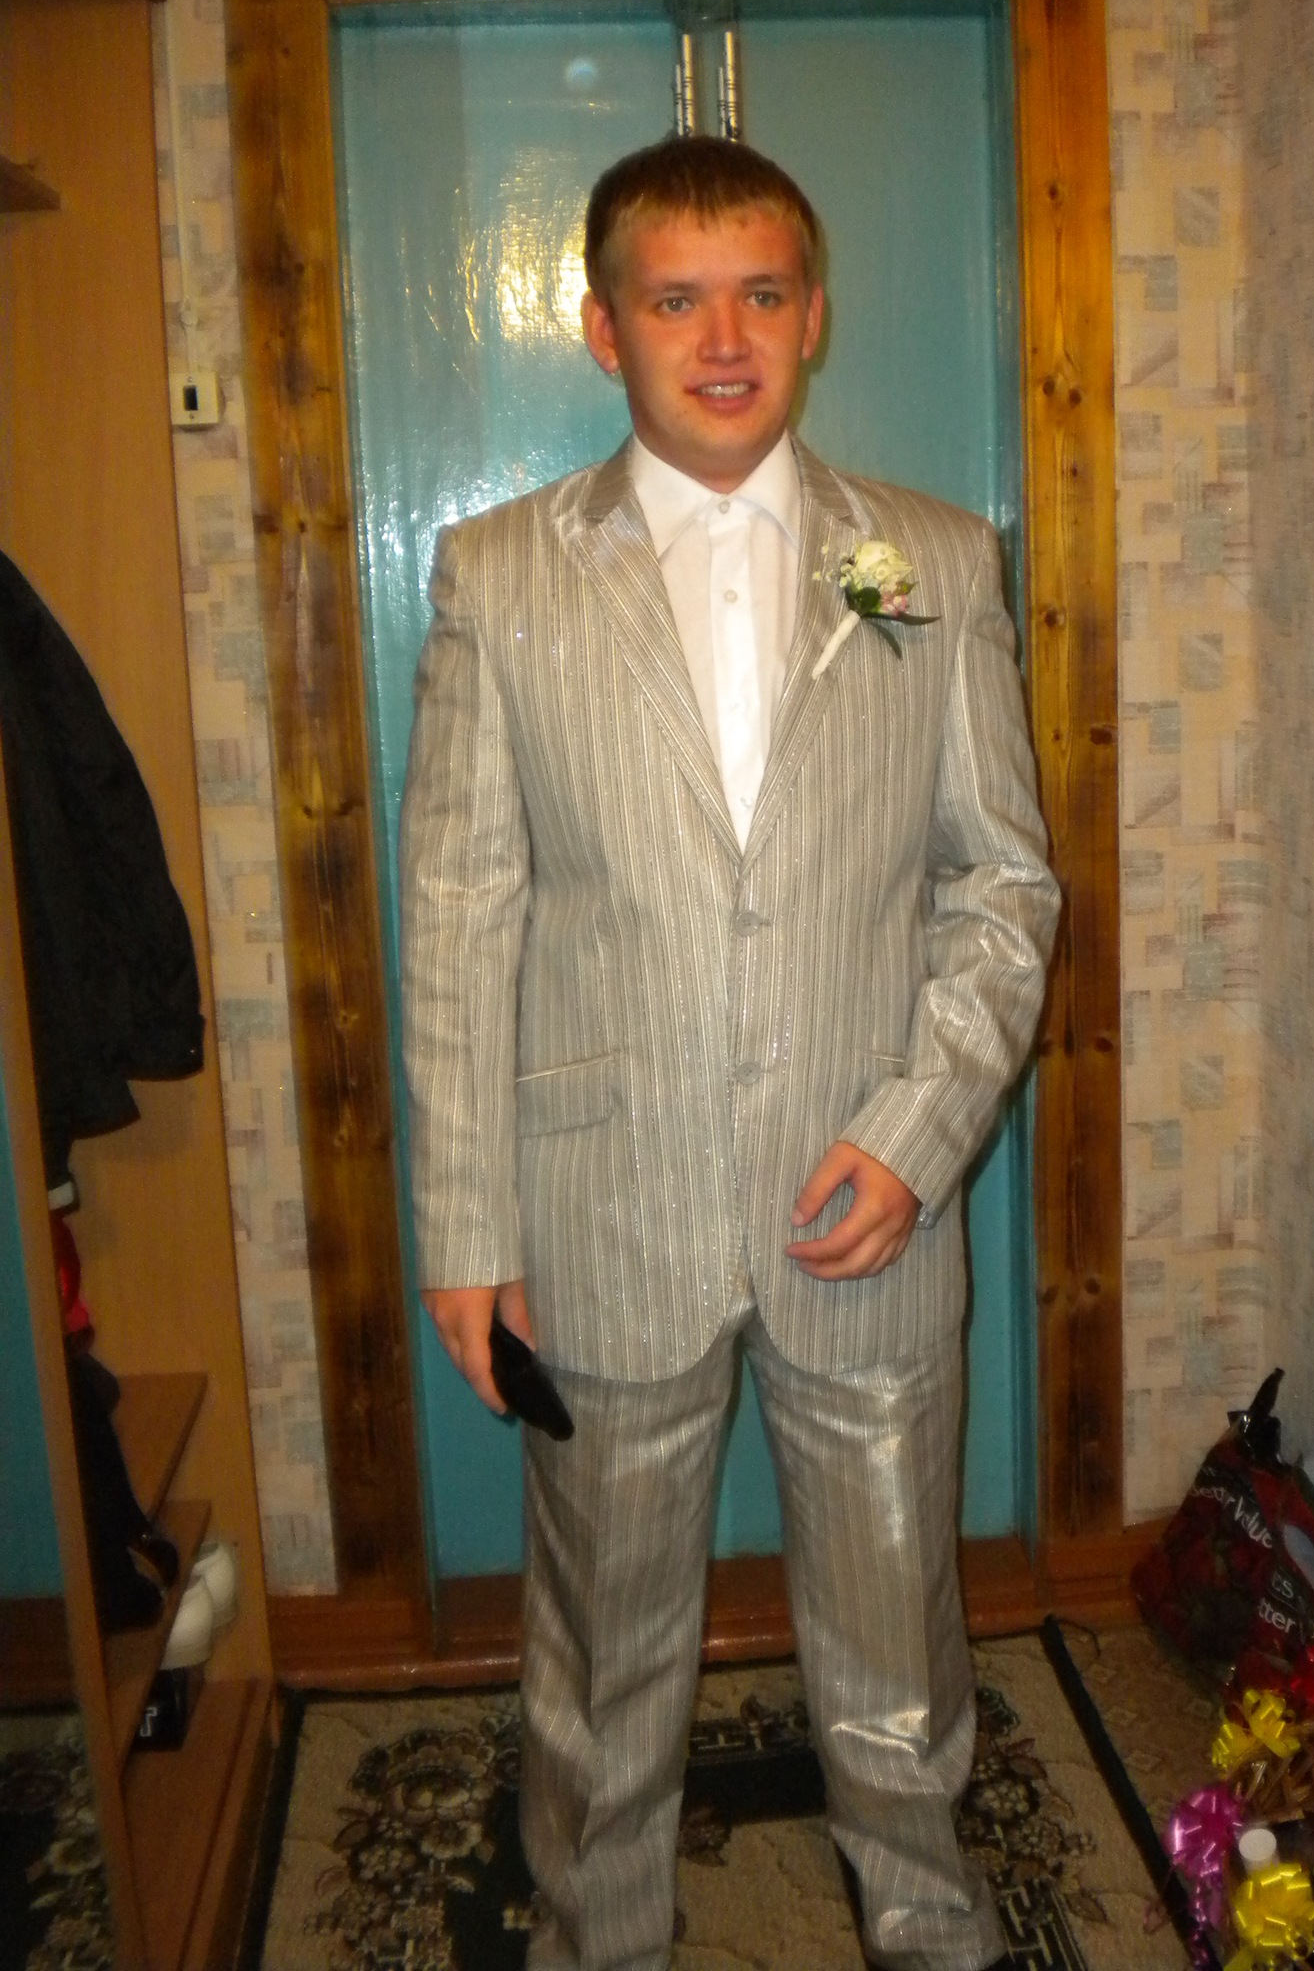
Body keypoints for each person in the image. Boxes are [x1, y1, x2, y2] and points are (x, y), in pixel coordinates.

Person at [399, 135, 1060, 1971]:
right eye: (676, 300)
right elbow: (459, 918)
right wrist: (467, 1229)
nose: (722, 339)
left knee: (898, 1634)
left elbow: (1004, 887)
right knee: (604, 1658)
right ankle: (596, 1932)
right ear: (601, 326)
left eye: (760, 294)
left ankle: (925, 1916)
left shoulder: (931, 561)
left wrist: (921, 1132)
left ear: (814, 314)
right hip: (604, 1210)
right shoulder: (499, 576)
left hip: (870, 1204)